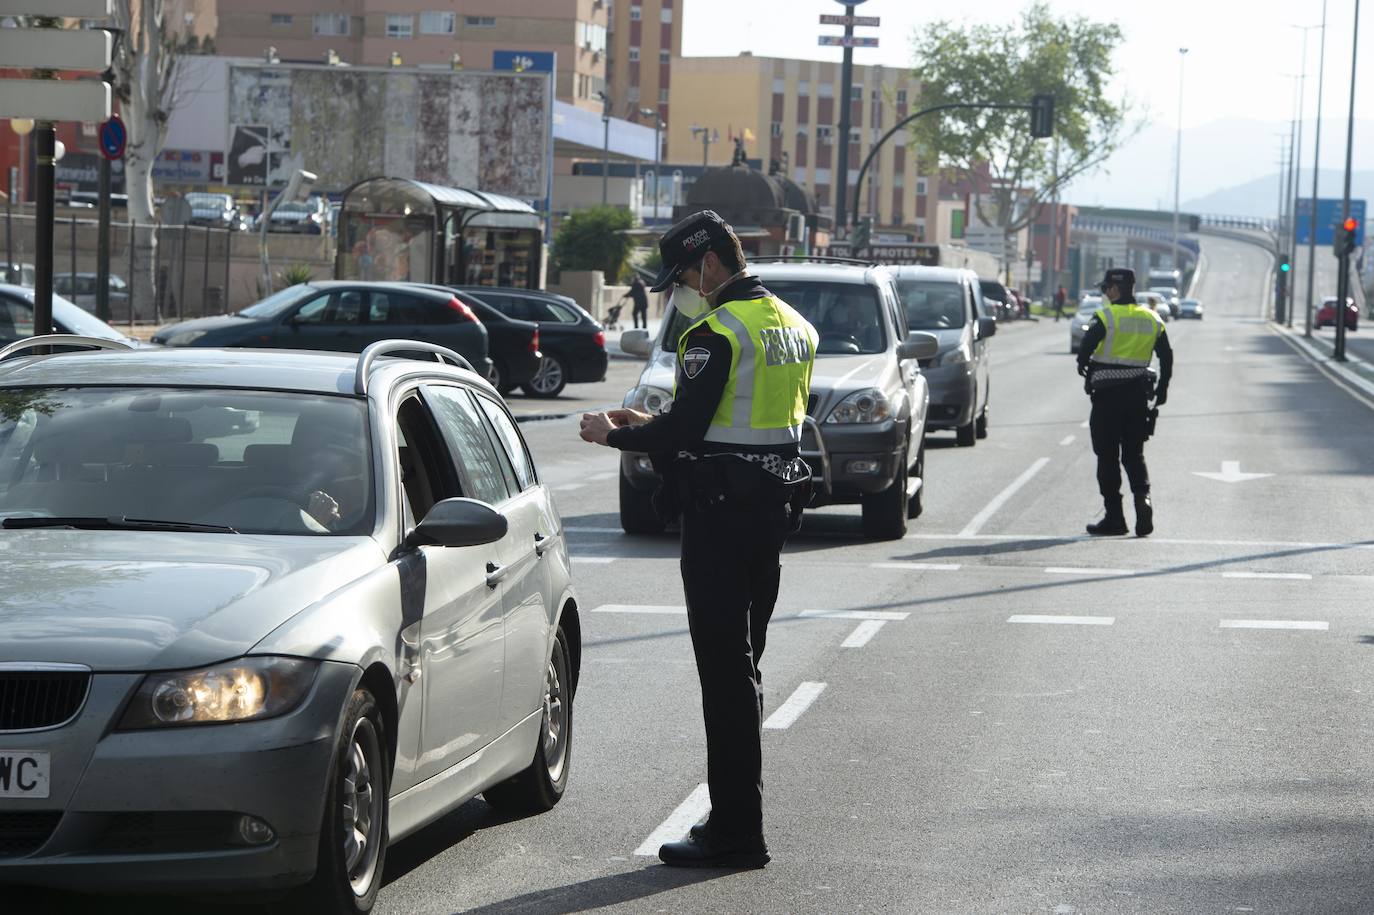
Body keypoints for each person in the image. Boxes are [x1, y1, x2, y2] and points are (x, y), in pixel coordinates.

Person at [579, 210, 817, 869]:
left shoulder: (714, 332)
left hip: (717, 519)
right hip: (769, 516)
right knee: (744, 668)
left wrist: (615, 432)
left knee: (725, 677)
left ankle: (737, 829)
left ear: (708, 263)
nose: (682, 288)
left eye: (682, 275)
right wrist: (651, 420)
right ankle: (734, 816)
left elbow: (685, 433)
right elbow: (755, 426)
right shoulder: (796, 328)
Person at [1076, 267, 1173, 537]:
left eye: (1106, 288)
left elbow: (1085, 349)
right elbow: (1166, 355)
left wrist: (1084, 367)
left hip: (1107, 399)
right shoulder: (1152, 318)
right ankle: (1143, 502)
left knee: (1107, 456)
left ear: (1116, 289)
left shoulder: (1107, 316)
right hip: (1138, 398)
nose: (1105, 293)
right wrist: (1162, 389)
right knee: (1134, 455)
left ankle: (1115, 518)